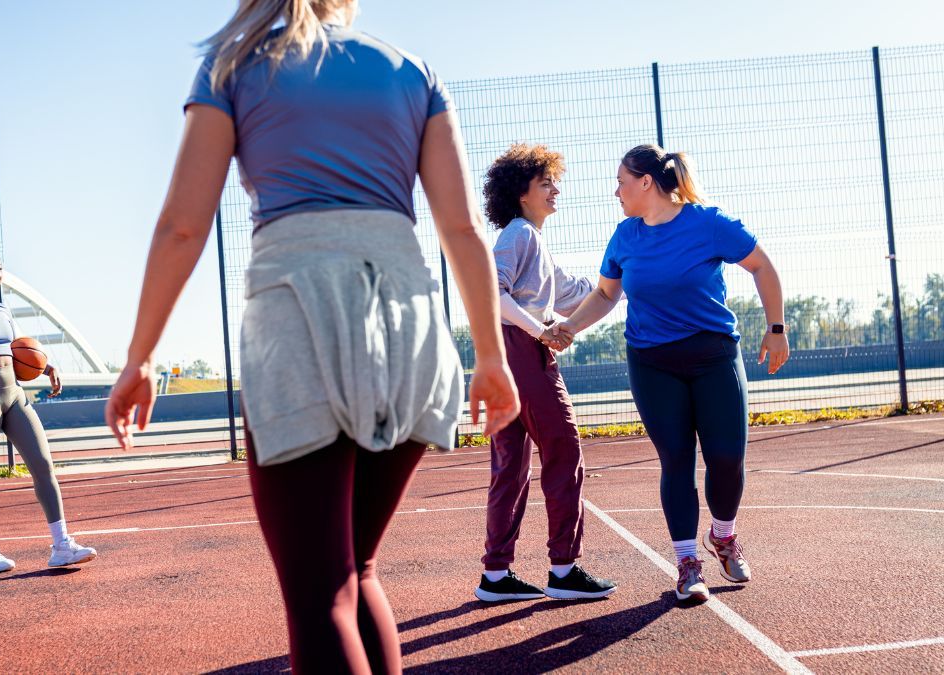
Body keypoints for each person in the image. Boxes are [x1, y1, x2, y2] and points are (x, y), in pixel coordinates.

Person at [104, 1, 520, 671]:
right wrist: (491, 357)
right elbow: (464, 228)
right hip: (411, 321)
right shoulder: (412, 71)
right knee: (359, 568)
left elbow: (183, 224)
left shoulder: (234, 64)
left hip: (299, 315)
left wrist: (140, 355)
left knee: (321, 593)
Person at [553, 145, 789, 602]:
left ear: (645, 183)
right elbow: (605, 295)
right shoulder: (625, 236)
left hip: (713, 356)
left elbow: (762, 265)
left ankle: (722, 535)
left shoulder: (709, 223)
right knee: (676, 460)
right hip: (653, 362)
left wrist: (776, 328)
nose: (615, 191)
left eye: (621, 181)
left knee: (726, 458)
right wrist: (569, 327)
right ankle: (687, 564)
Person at [475, 144, 617, 602]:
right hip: (519, 350)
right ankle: (564, 569)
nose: (556, 189)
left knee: (511, 465)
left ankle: (495, 576)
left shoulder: (531, 239)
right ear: (522, 193)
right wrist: (541, 332)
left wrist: (625, 273)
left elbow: (575, 292)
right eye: (546, 183)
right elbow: (491, 294)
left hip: (504, 352)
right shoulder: (519, 235)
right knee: (563, 449)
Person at [0, 247, 97, 573]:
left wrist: (47, 367)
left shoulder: (2, 310)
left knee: (43, 465)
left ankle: (62, 545)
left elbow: (18, 354)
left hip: (15, 395)